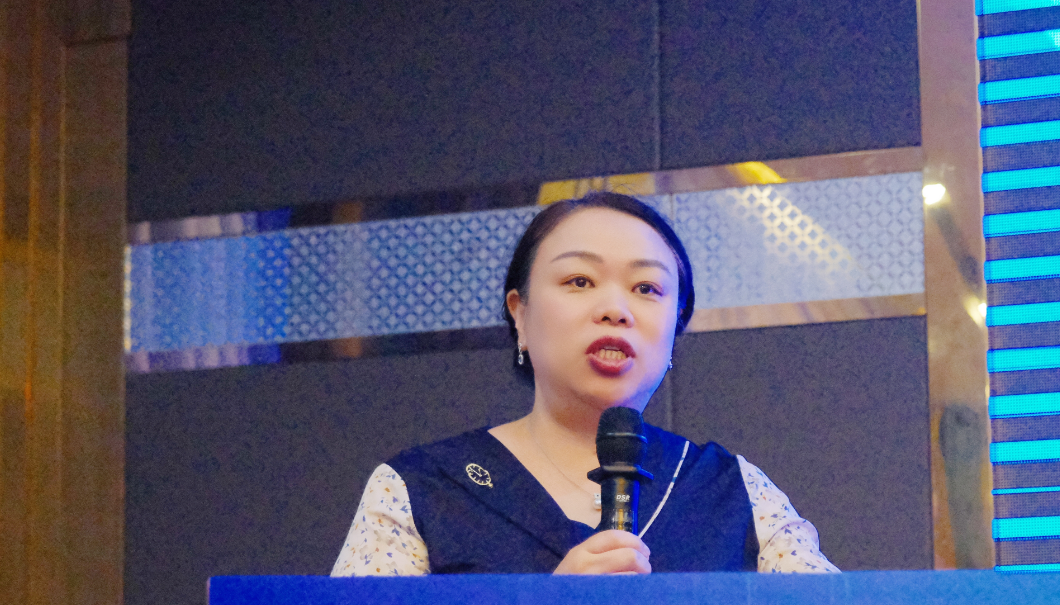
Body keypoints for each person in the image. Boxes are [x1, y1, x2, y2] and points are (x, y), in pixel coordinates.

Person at [332, 192, 839, 576]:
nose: (615, 309)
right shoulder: (422, 488)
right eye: (579, 281)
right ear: (520, 315)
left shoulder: (733, 490)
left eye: (647, 288)